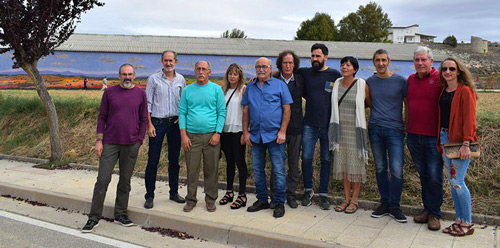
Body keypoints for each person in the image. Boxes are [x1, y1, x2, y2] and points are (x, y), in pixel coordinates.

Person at [81, 64, 148, 233]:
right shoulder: (109, 93)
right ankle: (94, 217)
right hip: (110, 143)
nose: (127, 77)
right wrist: (99, 140)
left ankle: (121, 215)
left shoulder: (141, 94)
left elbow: (144, 120)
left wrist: (139, 141)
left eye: (130, 74)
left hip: (131, 144)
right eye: (124, 74)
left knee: (125, 181)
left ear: (134, 76)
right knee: (103, 180)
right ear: (119, 75)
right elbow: (102, 117)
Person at [242, 57, 292, 218]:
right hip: (256, 136)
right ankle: (262, 199)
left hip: (275, 136)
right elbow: (246, 110)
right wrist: (245, 132)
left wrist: (283, 131)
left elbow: (287, 109)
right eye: (258, 66)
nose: (261, 69)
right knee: (257, 169)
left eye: (264, 66)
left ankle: (278, 202)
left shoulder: (280, 86)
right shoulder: (250, 86)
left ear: (270, 69)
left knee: (278, 170)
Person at [437, 58, 478, 236]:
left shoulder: (465, 91)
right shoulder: (444, 91)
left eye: (451, 68)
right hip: (445, 138)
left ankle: (467, 223)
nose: (448, 71)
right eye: (444, 69)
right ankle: (459, 220)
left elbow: (470, 119)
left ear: (459, 71)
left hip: (460, 141)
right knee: (453, 183)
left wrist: (466, 143)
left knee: (458, 182)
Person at [298, 43, 341, 209]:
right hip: (309, 124)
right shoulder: (305, 72)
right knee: (307, 158)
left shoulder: (334, 75)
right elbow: (285, 69)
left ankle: (323, 193)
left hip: (328, 125)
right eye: (313, 56)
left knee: (325, 159)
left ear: (326, 57)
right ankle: (308, 190)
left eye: (318, 56)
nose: (315, 59)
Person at [367, 49, 408, 223]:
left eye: (384, 60)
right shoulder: (370, 81)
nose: (381, 63)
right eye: (378, 60)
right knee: (381, 168)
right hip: (375, 129)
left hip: (395, 131)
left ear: (389, 61)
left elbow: (408, 104)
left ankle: (395, 206)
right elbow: (368, 103)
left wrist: (407, 124)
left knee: (397, 170)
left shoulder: (400, 81)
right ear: (373, 62)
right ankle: (384, 203)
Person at [179, 61, 226, 213]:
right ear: (194, 71)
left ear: (209, 72)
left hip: (212, 136)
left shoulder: (216, 89)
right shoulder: (188, 90)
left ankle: (211, 199)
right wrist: (184, 136)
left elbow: (221, 112)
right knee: (192, 170)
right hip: (192, 137)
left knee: (211, 169)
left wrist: (218, 133)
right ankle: (191, 199)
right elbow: (182, 113)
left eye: (204, 69)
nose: (201, 71)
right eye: (198, 69)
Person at [406, 46, 444, 230]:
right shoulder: (410, 80)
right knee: (424, 175)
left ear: (431, 61)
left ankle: (435, 214)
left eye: (423, 60)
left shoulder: (440, 80)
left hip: (433, 138)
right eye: (417, 60)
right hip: (413, 136)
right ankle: (427, 210)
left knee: (435, 177)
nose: (420, 63)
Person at [144, 50, 186, 209]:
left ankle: (173, 192)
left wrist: (181, 119)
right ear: (162, 61)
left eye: (171, 60)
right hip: (157, 123)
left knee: (174, 161)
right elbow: (148, 103)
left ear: (176, 61)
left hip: (174, 124)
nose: (168, 63)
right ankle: (149, 195)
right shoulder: (153, 79)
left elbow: (183, 103)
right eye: (165, 60)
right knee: (152, 161)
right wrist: (149, 124)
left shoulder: (181, 79)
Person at [329, 56, 370, 214]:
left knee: (355, 167)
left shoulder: (361, 84)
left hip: (355, 130)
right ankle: (346, 198)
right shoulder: (337, 84)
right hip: (340, 130)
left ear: (355, 69)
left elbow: (368, 103)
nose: (344, 67)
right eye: (342, 65)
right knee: (345, 166)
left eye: (348, 65)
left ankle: (355, 200)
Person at [269, 50, 304, 209]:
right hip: (277, 128)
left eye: (290, 62)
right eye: (285, 62)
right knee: (277, 164)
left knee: (293, 164)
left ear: (294, 64)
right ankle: (276, 195)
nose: (288, 65)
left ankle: (291, 195)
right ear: (280, 64)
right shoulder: (273, 79)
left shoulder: (301, 79)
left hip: (296, 127)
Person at [219, 63, 248, 209]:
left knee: (240, 162)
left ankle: (242, 194)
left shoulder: (243, 89)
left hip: (238, 130)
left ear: (239, 76)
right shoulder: (222, 90)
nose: (232, 76)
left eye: (235, 74)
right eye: (230, 74)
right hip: (225, 131)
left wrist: (245, 131)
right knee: (229, 162)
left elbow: (247, 111)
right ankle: (229, 191)